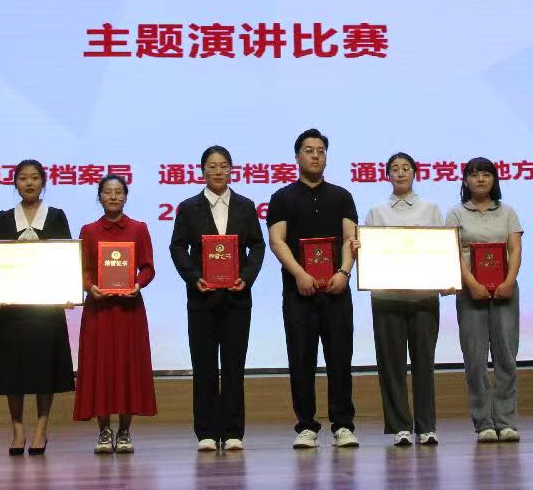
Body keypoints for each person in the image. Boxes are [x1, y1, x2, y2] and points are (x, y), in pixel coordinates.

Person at [168, 146, 266, 452]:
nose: (218, 171)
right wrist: (193, 276)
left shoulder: (245, 206)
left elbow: (257, 245)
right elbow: (177, 246)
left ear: (231, 170)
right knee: (204, 366)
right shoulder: (188, 207)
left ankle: (234, 431)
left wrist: (246, 277)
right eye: (212, 166)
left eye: (223, 166)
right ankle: (207, 432)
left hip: (237, 298)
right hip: (202, 299)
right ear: (202, 171)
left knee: (234, 366)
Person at [267, 128, 360, 450]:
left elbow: (351, 238)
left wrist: (344, 272)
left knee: (340, 360)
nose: (315, 155)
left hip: (336, 290)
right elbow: (277, 241)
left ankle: (343, 425)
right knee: (301, 359)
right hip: (299, 293)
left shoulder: (342, 196)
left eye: (321, 150)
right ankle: (306, 426)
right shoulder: (282, 197)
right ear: (297, 157)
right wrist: (299, 274)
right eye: (309, 150)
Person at [0, 159, 76, 455]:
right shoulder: (4, 218)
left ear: (43, 182)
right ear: (15, 183)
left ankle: (41, 429)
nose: (29, 183)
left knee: (44, 370)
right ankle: (17, 430)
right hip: (12, 310)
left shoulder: (57, 216)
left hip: (46, 310)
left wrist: (68, 292)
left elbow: (66, 260)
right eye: (23, 178)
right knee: (12, 370)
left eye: (35, 178)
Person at [360, 152, 445, 447]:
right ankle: (400, 427)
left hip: (424, 297)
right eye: (394, 169)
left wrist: (446, 279)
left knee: (425, 363)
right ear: (387, 175)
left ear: (414, 173)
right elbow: (369, 252)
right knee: (391, 365)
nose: (400, 173)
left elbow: (442, 250)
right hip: (386, 297)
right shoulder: (376, 211)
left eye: (405, 168)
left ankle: (427, 426)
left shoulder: (431, 209)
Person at [74, 174, 157, 454]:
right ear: (99, 197)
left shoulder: (138, 228)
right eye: (108, 192)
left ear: (126, 196)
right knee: (101, 367)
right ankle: (103, 431)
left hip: (129, 309)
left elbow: (148, 267)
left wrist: (138, 284)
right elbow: (82, 269)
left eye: (118, 192)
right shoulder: (89, 230)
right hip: (99, 309)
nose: (113, 196)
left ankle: (124, 431)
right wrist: (90, 287)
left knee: (127, 366)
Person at [445, 156, 523, 444]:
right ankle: (484, 423)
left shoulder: (507, 211)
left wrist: (509, 281)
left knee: (506, 358)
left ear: (494, 179)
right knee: (475, 360)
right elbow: (453, 252)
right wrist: (472, 284)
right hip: (471, 293)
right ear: (465, 180)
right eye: (474, 174)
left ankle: (506, 421)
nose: (480, 179)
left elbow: (515, 250)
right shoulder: (455, 213)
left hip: (505, 292)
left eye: (486, 174)